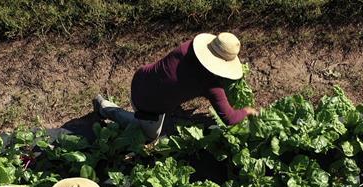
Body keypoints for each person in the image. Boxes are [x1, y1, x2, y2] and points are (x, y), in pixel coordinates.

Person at [93, 32, 259, 141]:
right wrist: (247, 111)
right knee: (151, 135)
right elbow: (229, 118)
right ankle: (104, 107)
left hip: (142, 77)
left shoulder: (188, 46)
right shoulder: (211, 85)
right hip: (145, 103)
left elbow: (180, 77)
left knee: (169, 90)